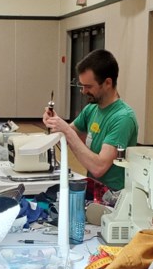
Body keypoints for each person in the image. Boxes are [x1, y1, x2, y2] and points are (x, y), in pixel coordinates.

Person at [42, 49, 138, 192]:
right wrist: (55, 122)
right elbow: (65, 137)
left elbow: (98, 168)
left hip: (114, 197)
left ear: (107, 83)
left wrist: (66, 130)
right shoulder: (91, 109)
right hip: (94, 189)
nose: (83, 91)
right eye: (82, 85)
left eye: (88, 86)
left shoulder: (123, 118)